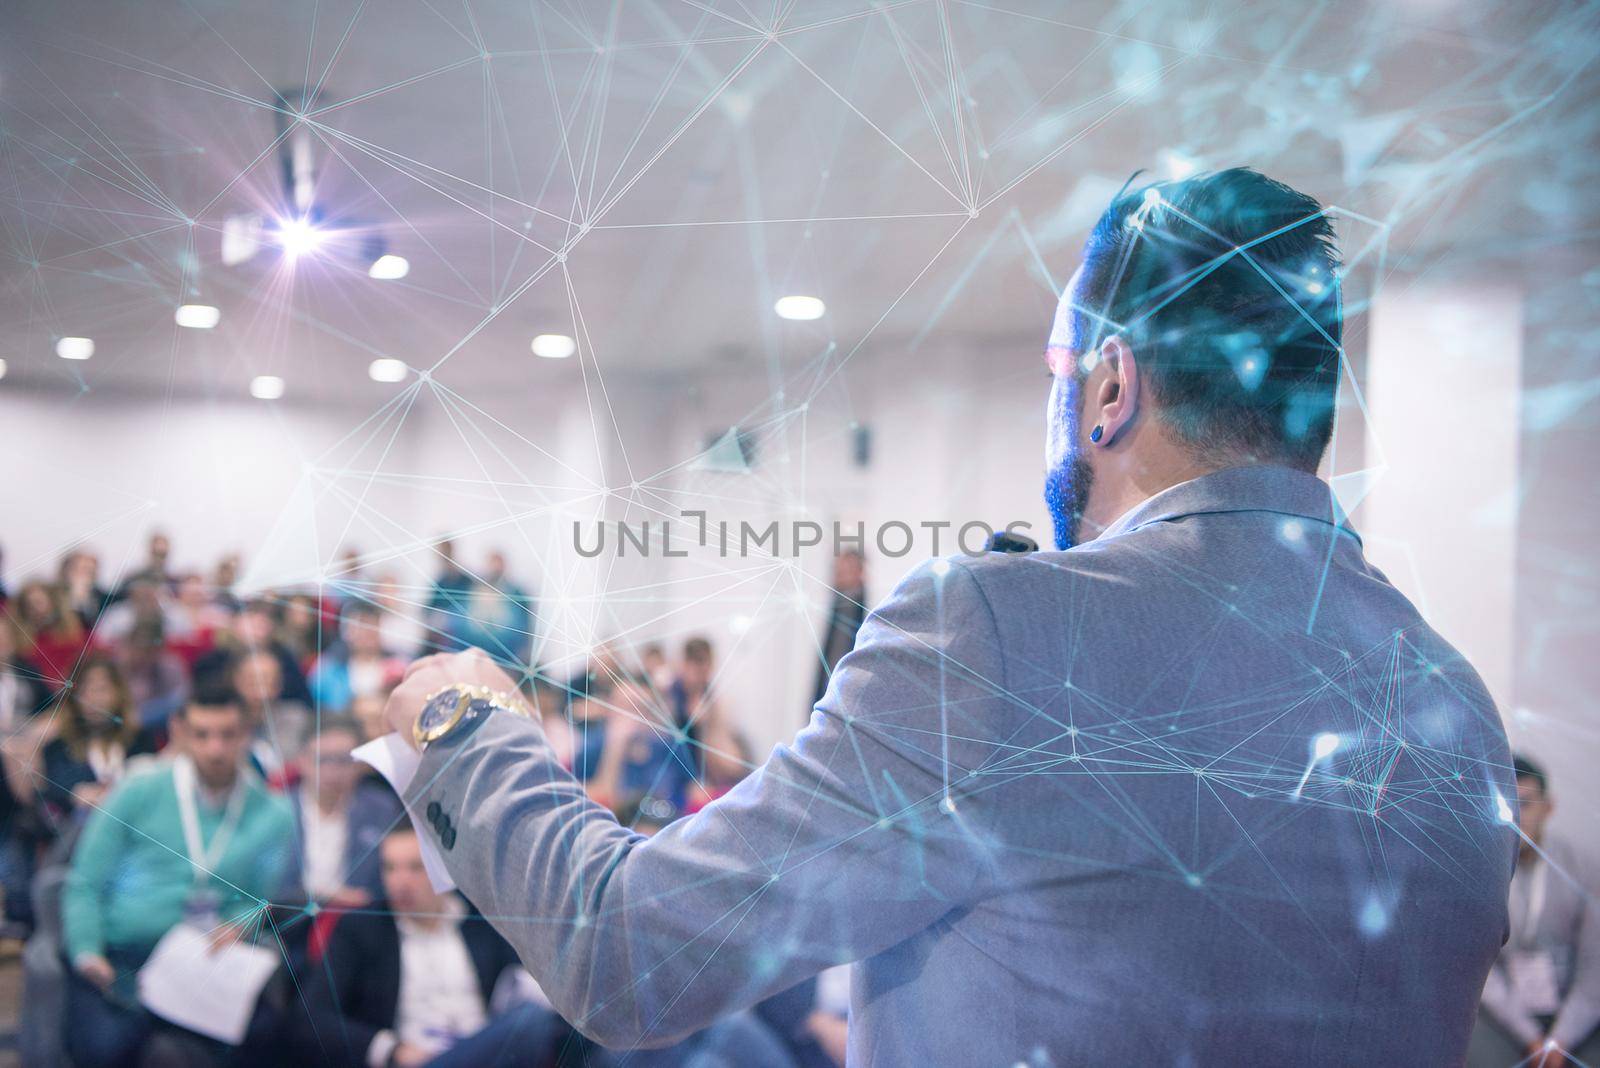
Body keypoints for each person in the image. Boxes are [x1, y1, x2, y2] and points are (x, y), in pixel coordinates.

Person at [383, 169, 1517, 1062]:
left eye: (1057, 373)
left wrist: (468, 731)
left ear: (1111, 389)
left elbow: (628, 956)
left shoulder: (1005, 633)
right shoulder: (1454, 706)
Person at [61, 689, 295, 1067]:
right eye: (202, 734)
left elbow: (259, 898)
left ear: (246, 734)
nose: (215, 749)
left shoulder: (272, 812)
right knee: (106, 1048)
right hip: (122, 956)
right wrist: (87, 949)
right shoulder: (139, 790)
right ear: (181, 733)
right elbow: (85, 881)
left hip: (203, 961)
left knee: (248, 1040)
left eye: (228, 734)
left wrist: (238, 926)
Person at [290, 824, 568, 1068]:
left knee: (579, 1027)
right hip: (421, 1057)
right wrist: (392, 1049)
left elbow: (521, 982)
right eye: (390, 868)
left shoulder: (482, 921)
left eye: (415, 867)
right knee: (531, 1022)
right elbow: (311, 1018)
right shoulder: (362, 929)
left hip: (485, 1048)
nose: (400, 882)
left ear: (443, 869)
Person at [1469, 755, 1600, 1065]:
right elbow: (1480, 969)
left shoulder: (1582, 867)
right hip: (1507, 1015)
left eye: (1525, 804)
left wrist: (1560, 1038)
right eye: (1506, 805)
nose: (1516, 816)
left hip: (1573, 1010)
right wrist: (1530, 1036)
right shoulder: (1478, 871)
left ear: (1548, 807)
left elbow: (1595, 966)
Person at [280, 716, 401, 907]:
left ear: (360, 764)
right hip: (288, 922)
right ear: (301, 761)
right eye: (322, 760)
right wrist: (323, 897)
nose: (332, 770)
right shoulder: (279, 810)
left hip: (360, 922)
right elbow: (265, 884)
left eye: (344, 761)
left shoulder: (382, 810)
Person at [307, 601, 406, 714]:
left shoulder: (399, 666)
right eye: (361, 626)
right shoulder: (327, 669)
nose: (367, 633)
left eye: (373, 625)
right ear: (345, 630)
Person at [810, 550, 867, 710]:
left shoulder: (860, 612)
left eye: (846, 570)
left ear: (860, 572)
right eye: (838, 570)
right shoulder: (833, 607)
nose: (840, 575)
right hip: (826, 697)